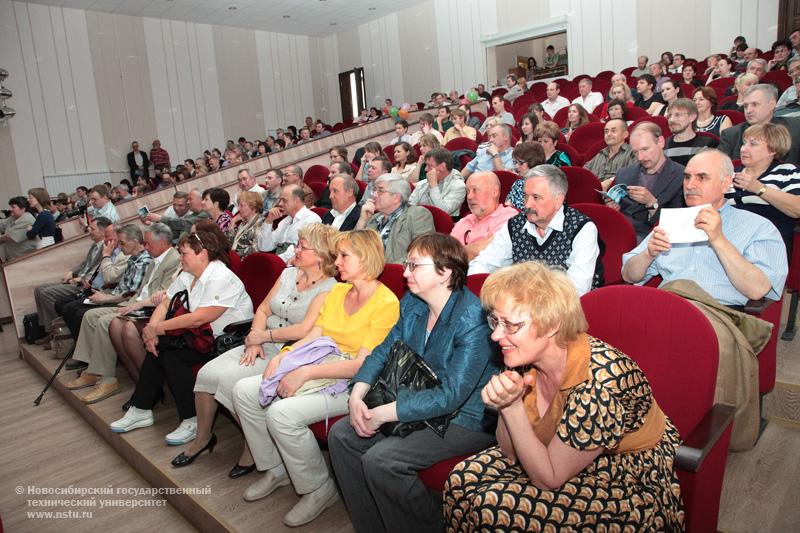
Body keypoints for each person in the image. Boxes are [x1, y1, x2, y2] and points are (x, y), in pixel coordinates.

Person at [443, 261, 685, 531]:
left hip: (621, 474)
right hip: (552, 451)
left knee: (494, 506)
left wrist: (511, 407)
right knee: (461, 481)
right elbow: (509, 452)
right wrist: (506, 406)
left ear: (551, 326)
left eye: (510, 324)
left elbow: (549, 479)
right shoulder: (523, 355)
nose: (497, 335)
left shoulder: (601, 385)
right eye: (495, 321)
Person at [329, 233, 500, 533]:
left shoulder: (472, 318)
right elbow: (383, 351)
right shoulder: (413, 303)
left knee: (382, 461)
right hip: (417, 400)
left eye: (414, 265)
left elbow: (451, 396)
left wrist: (382, 413)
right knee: (342, 435)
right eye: (407, 264)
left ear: (445, 272)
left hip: (466, 418)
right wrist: (357, 395)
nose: (405, 272)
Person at [230, 229, 400, 527]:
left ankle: (319, 487)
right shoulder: (337, 292)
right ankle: (276, 466)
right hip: (322, 361)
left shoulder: (386, 303)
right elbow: (316, 334)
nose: (337, 261)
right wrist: (285, 355)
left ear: (366, 259)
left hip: (354, 383)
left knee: (282, 415)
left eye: (344, 255)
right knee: (244, 391)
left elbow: (362, 364)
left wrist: (304, 371)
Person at [622, 149, 787, 449]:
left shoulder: (757, 227)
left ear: (726, 184)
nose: (690, 184)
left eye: (702, 177)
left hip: (721, 315)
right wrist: (648, 254)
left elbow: (758, 290)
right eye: (687, 177)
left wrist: (720, 241)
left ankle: (689, 432)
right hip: (667, 309)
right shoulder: (669, 223)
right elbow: (629, 275)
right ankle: (629, 423)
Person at [172, 224, 338, 470]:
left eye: (303, 246)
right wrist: (254, 338)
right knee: (207, 373)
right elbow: (262, 309)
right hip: (261, 342)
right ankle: (203, 438)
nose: (296, 249)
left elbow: (304, 330)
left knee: (231, 384)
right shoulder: (288, 274)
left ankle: (255, 449)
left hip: (289, 352)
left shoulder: (330, 288)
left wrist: (262, 337)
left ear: (320, 256)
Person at [109, 229, 252, 446]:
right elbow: (166, 302)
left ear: (202, 254)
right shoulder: (189, 274)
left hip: (227, 341)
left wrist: (157, 330)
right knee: (160, 346)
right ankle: (141, 408)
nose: (180, 258)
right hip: (199, 336)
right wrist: (152, 329)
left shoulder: (221, 278)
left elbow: (199, 318)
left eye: (184, 253)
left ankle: (191, 419)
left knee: (171, 352)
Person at [64, 223, 181, 403]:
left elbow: (162, 295)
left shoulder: (172, 260)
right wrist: (129, 303)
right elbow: (141, 289)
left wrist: (132, 304)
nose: (146, 246)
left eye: (149, 243)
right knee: (90, 315)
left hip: (147, 309)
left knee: (104, 321)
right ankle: (93, 370)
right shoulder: (155, 257)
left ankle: (107, 378)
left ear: (163, 242)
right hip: (134, 302)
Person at [469, 165, 603, 295]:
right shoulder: (516, 224)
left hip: (568, 310)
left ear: (558, 200)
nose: (527, 204)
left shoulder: (582, 229)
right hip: (519, 307)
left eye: (536, 197)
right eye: (525, 196)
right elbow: (483, 263)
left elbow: (577, 289)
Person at [32, 217, 112, 339]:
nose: (89, 230)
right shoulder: (94, 245)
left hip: (84, 284)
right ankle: (51, 330)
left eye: (92, 229)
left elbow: (97, 269)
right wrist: (72, 273)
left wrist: (81, 278)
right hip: (78, 280)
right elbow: (84, 264)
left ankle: (62, 329)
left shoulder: (106, 247)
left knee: (46, 293)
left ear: (102, 231)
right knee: (38, 289)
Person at [726, 123, 800, 253]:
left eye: (753, 144)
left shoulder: (787, 172)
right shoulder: (730, 173)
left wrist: (759, 189)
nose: (743, 149)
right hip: (729, 240)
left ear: (773, 149)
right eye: (744, 143)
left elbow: (797, 209)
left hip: (768, 243)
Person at [607, 122, 686, 241]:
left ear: (660, 142)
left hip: (655, 237)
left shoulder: (682, 175)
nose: (640, 157)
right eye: (635, 152)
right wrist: (614, 208)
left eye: (645, 149)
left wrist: (652, 203)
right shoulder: (624, 173)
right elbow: (619, 210)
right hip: (619, 232)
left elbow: (679, 223)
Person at [357, 174, 435, 264]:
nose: (374, 194)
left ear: (396, 197)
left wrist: (384, 269)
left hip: (395, 273)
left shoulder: (418, 215)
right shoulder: (374, 217)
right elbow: (353, 249)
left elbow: (422, 252)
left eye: (380, 190)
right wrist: (362, 220)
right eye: (375, 190)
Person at [719, 84, 800, 164]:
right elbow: (719, 167)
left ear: (771, 105)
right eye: (746, 106)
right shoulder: (731, 134)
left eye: (755, 104)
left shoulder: (795, 127)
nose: (749, 110)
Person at [452, 172, 518, 260]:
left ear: (495, 192)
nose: (469, 197)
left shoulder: (510, 217)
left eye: (475, 190)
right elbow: (445, 254)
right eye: (467, 191)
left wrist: (457, 253)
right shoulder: (463, 221)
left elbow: (491, 252)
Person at [259, 184, 322, 262]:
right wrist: (268, 221)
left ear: (296, 201)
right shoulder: (285, 221)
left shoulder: (311, 220)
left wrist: (273, 262)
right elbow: (264, 246)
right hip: (279, 264)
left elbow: (298, 252)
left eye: (284, 200)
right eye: (280, 200)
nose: (280, 204)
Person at [408, 147, 466, 217]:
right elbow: (409, 208)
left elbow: (442, 212)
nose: (426, 169)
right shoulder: (422, 183)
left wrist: (433, 185)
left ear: (442, 166)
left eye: (429, 166)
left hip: (442, 225)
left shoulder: (459, 186)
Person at [663, 98, 719, 166]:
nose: (671, 120)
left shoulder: (708, 144)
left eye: (677, 115)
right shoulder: (663, 146)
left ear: (692, 117)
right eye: (669, 116)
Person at [583, 118, 636, 186]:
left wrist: (611, 181)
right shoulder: (600, 154)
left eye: (613, 131)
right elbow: (584, 173)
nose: (608, 134)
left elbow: (635, 174)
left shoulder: (632, 152)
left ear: (625, 134)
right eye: (606, 131)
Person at [505, 142, 546, 209]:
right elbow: (507, 206)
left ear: (533, 162)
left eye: (521, 163)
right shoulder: (518, 183)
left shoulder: (547, 185)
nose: (516, 166)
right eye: (515, 162)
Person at [228, 191, 264, 258]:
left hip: (248, 262)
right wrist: (232, 222)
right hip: (237, 259)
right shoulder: (244, 223)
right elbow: (229, 243)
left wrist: (235, 256)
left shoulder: (260, 223)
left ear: (253, 207)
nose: (238, 209)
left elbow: (256, 249)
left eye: (242, 205)